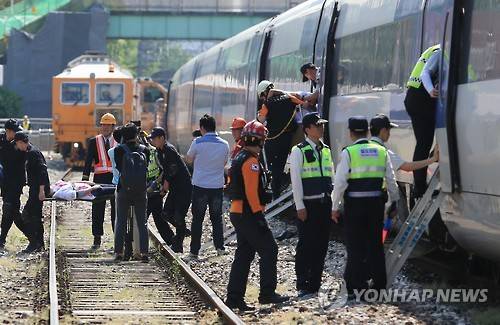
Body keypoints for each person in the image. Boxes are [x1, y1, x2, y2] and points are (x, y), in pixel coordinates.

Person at [331, 116, 399, 292]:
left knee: (355, 246)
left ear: (351, 133)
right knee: (375, 245)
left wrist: (334, 207)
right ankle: (379, 286)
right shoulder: (381, 151)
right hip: (375, 205)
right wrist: (395, 202)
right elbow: (391, 181)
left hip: (354, 206)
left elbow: (340, 183)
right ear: (368, 132)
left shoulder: (349, 152)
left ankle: (356, 286)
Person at [226, 120, 288, 310]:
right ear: (261, 141)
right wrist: (259, 217)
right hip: (248, 213)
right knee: (270, 249)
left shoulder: (240, 157)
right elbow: (252, 193)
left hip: (238, 212)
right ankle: (267, 293)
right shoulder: (252, 162)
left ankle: (234, 298)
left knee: (244, 254)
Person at [289, 113, 334, 297]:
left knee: (321, 245)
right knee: (306, 244)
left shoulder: (326, 150)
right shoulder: (298, 150)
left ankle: (315, 282)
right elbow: (296, 180)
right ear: (307, 129)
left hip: (324, 204)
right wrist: (299, 205)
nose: (321, 128)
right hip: (308, 205)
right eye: (317, 125)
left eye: (322, 125)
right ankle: (302, 282)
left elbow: (331, 175)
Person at [185, 114, 230, 259]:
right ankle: (220, 248)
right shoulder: (225, 144)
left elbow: (189, 159)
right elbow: (224, 164)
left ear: (202, 128)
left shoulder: (197, 142)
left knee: (197, 219)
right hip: (216, 186)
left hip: (200, 185)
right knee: (216, 218)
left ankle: (194, 252)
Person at [257, 80, 304, 199]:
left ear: (264, 93)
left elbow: (261, 120)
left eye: (262, 96)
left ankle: (265, 193)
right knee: (279, 166)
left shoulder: (267, 104)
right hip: (286, 139)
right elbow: (300, 101)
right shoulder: (289, 98)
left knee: (267, 166)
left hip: (272, 139)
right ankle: (276, 194)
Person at [404, 44, 440, 197]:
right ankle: (419, 186)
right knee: (424, 142)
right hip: (421, 97)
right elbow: (426, 73)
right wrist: (431, 89)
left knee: (425, 141)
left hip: (416, 97)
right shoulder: (442, 51)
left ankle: (437, 156)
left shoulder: (435, 48)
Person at [150, 127, 192, 253]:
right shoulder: (159, 151)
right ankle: (183, 231)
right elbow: (164, 172)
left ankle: (178, 245)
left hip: (183, 188)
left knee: (179, 216)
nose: (153, 141)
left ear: (162, 138)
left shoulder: (169, 150)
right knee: (166, 213)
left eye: (155, 139)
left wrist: (164, 188)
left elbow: (171, 171)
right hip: (174, 189)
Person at [112, 123, 150, 262]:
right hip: (141, 190)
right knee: (142, 222)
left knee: (121, 221)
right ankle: (144, 253)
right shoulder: (144, 150)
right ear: (136, 135)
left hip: (124, 190)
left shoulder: (119, 150)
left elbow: (118, 167)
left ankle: (118, 253)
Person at [82, 113, 117, 249]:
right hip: (99, 179)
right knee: (97, 208)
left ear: (113, 127)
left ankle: (117, 237)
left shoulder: (118, 140)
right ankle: (97, 237)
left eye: (108, 125)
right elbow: (88, 161)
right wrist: (85, 179)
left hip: (115, 179)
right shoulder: (94, 141)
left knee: (116, 209)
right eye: (103, 125)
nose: (105, 128)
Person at [14, 131, 50, 254]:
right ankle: (38, 244)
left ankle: (35, 243)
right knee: (34, 216)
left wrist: (41, 191)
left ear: (21, 142)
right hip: (34, 189)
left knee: (27, 215)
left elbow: (42, 172)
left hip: (39, 189)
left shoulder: (33, 153)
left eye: (17, 144)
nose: (17, 147)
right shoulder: (28, 152)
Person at [369, 114, 439, 172]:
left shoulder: (361, 148)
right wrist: (433, 159)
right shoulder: (383, 152)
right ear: (383, 131)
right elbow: (407, 167)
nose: (389, 134)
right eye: (389, 131)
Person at [0, 119, 26, 250]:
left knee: (8, 209)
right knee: (14, 212)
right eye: (14, 131)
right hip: (5, 183)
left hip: (16, 182)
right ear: (8, 132)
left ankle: (2, 239)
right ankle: (34, 238)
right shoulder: (1, 140)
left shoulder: (19, 140)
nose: (17, 133)